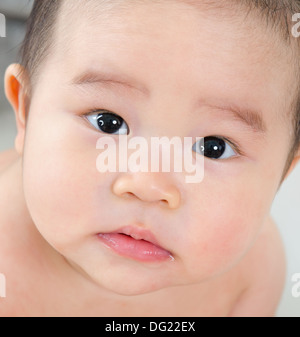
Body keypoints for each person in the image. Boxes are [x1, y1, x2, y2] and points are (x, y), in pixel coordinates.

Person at [0, 0, 299, 316]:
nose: (148, 185)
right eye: (108, 122)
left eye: (214, 147)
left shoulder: (251, 276)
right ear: (26, 111)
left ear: (281, 174)